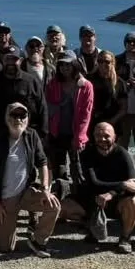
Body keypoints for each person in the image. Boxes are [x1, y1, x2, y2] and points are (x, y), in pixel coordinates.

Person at [0, 103, 59, 257]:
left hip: (26, 192)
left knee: (53, 205)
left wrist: (45, 189)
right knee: (5, 248)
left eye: (22, 116)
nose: (18, 119)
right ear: (6, 118)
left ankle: (38, 240)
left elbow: (43, 162)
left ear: (27, 119)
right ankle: (6, 232)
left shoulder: (32, 136)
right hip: (5, 199)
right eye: (14, 115)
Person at [75, 122, 135, 253]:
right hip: (94, 199)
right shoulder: (86, 154)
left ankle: (125, 238)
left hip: (116, 200)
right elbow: (94, 183)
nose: (102, 139)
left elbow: (133, 185)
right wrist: (122, 184)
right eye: (98, 135)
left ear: (114, 137)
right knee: (64, 207)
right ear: (93, 137)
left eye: (106, 136)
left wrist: (111, 193)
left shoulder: (123, 154)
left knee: (133, 201)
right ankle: (92, 227)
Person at [0, 46, 43, 153]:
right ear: (3, 60)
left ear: (20, 61)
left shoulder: (31, 81)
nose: (11, 62)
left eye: (14, 59)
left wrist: (42, 135)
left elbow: (42, 109)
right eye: (8, 59)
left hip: (26, 138)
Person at [43, 51, 93, 191]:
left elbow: (85, 114)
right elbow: (47, 106)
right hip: (57, 131)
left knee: (77, 167)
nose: (65, 68)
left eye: (68, 64)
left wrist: (80, 137)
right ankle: (61, 194)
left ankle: (79, 194)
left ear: (75, 65)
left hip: (75, 133)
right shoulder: (54, 84)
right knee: (58, 166)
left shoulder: (85, 86)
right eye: (62, 65)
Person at [89, 50, 127, 130]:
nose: (103, 64)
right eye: (100, 61)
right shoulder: (90, 80)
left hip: (112, 125)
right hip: (92, 123)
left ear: (113, 63)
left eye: (107, 61)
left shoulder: (119, 83)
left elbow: (123, 108)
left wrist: (111, 121)